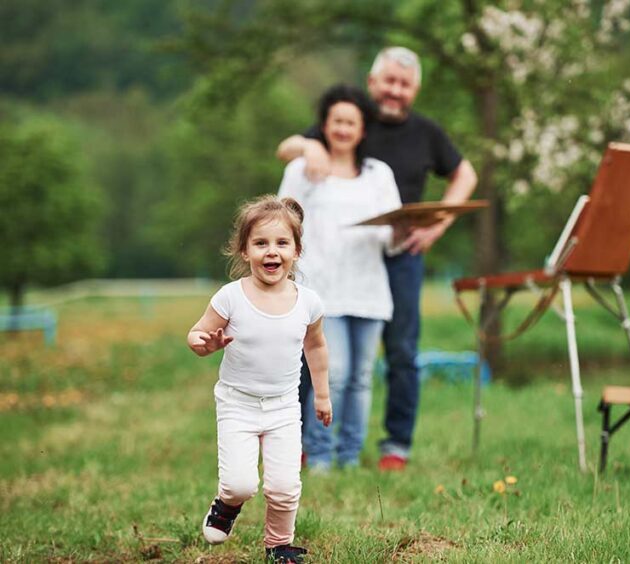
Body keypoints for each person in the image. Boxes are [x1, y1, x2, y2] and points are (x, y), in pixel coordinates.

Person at [277, 47, 477, 471]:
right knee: (317, 359)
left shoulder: (425, 133)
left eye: (404, 84)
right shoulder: (343, 121)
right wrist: (307, 147)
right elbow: (288, 149)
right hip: (331, 264)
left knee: (398, 353)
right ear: (373, 83)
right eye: (389, 81)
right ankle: (303, 444)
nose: (395, 91)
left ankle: (393, 448)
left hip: (395, 253)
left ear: (415, 89)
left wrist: (436, 226)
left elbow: (466, 174)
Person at [187, 195, 331, 563]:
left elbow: (315, 348)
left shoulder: (308, 302)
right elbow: (197, 335)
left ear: (296, 251)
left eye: (282, 243)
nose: (272, 252)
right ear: (244, 251)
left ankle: (279, 546)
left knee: (284, 486)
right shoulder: (230, 298)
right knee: (241, 483)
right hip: (238, 403)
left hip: (284, 406)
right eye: (261, 243)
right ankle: (227, 503)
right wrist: (206, 345)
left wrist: (322, 396)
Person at [278, 84, 402, 471]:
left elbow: (392, 238)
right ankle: (319, 455)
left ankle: (349, 456)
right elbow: (282, 223)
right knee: (333, 375)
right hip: (321, 292)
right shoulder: (303, 169)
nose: (344, 129)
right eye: (337, 121)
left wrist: (406, 230)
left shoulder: (379, 174)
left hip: (369, 290)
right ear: (325, 125)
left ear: (363, 129)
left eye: (352, 122)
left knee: (362, 379)